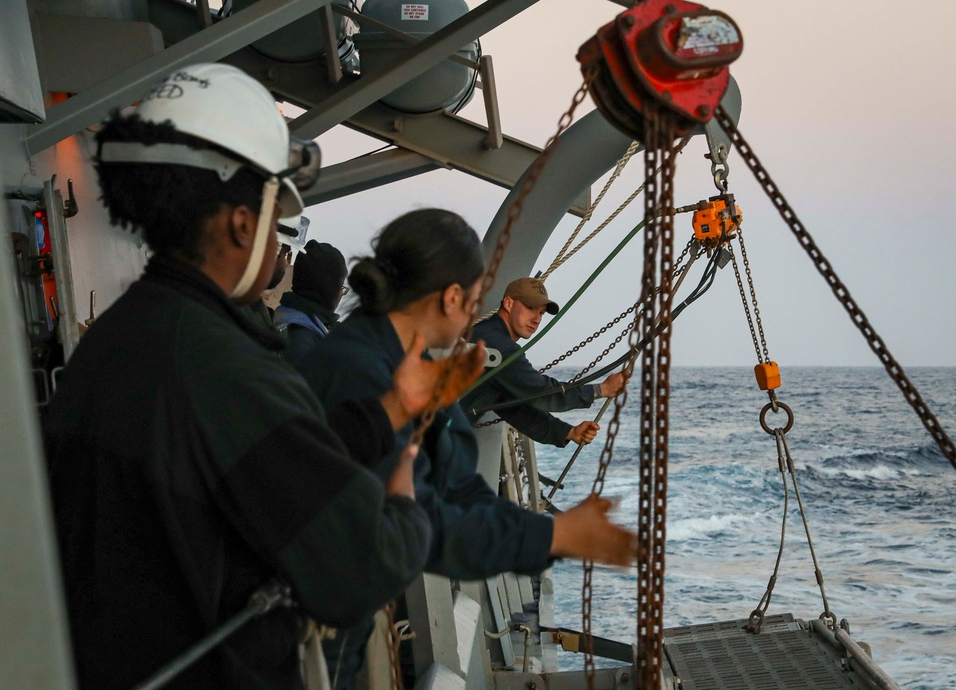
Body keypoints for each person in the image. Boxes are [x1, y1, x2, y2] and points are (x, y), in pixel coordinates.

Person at [45, 64, 483, 690]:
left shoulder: (126, 340)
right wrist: (405, 484)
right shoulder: (222, 367)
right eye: (278, 216)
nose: (280, 245)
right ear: (242, 223)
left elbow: (261, 459)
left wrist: (389, 407)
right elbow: (361, 569)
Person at [297, 209, 637, 690]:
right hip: (321, 638)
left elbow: (459, 482)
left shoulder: (400, 361)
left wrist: (548, 529)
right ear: (453, 297)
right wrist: (553, 537)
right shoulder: (362, 373)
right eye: (473, 299)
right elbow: (430, 523)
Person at [460, 277, 627, 448]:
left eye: (541, 313)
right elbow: (543, 392)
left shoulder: (486, 334)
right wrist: (601, 390)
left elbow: (515, 408)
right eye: (530, 308)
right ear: (508, 304)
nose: (537, 319)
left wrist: (568, 432)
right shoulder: (499, 346)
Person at [274, 239, 348, 364]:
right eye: (341, 288)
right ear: (328, 289)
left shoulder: (287, 316)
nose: (341, 294)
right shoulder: (303, 339)